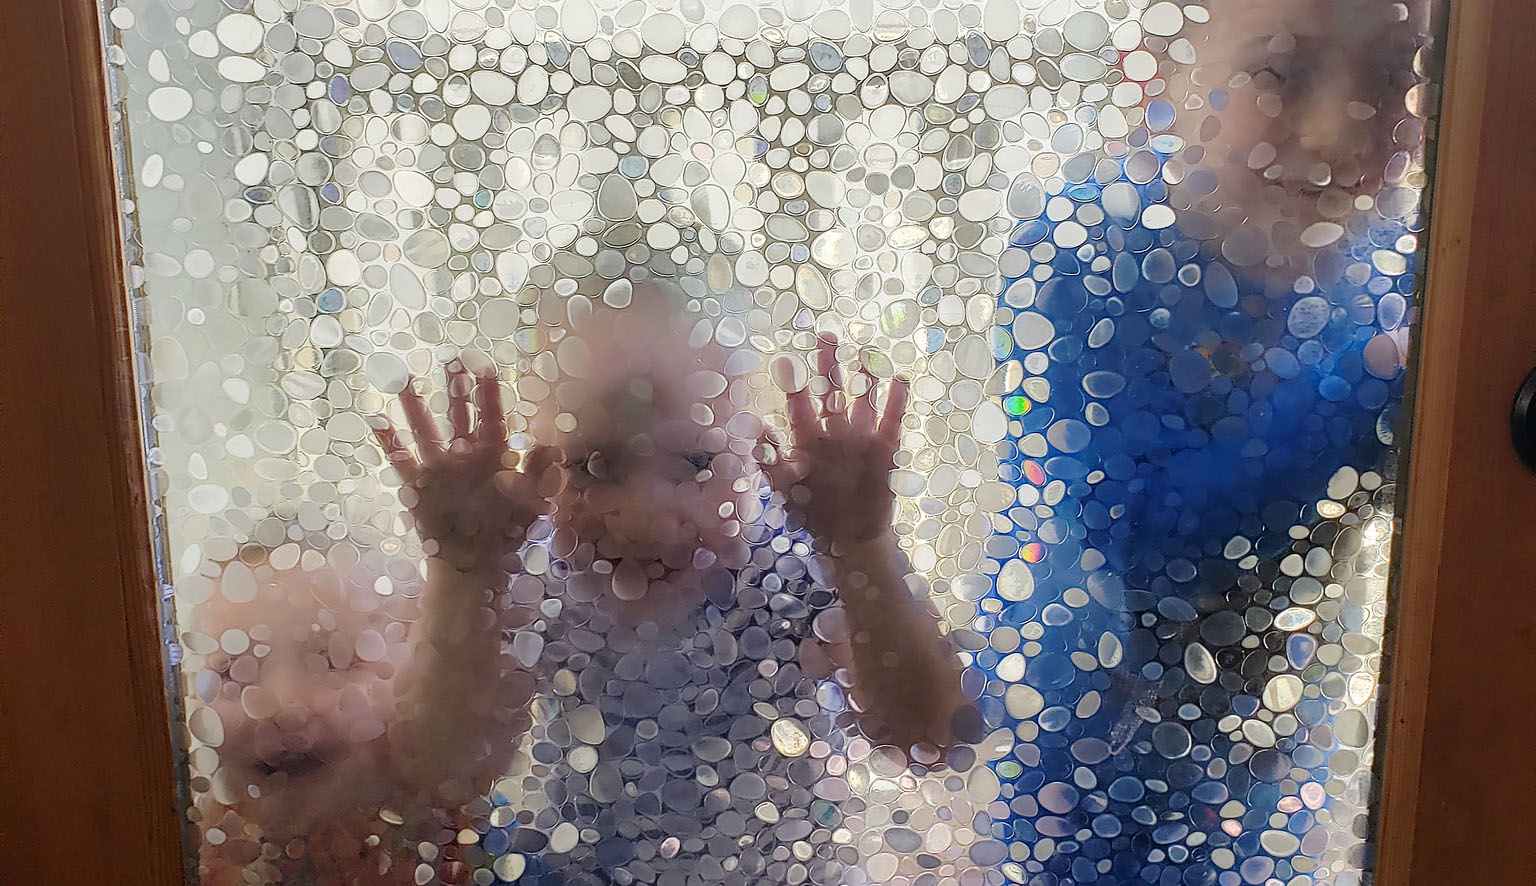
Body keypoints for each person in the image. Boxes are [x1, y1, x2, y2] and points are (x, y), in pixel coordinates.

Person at [190, 274, 975, 885]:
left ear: (752, 445)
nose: (646, 516)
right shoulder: (535, 572)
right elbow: (447, 769)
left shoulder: (786, 561)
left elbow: (925, 736)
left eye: (698, 464)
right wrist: (467, 572)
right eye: (596, 466)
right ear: (532, 454)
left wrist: (861, 549)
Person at [982, 1, 1427, 884]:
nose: (1342, 129)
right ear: (1157, 68)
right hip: (1086, 763)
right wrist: (1377, 384)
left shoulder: (1399, 264)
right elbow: (1136, 544)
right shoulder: (1079, 250)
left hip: (1276, 749)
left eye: (1393, 76)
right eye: (1280, 71)